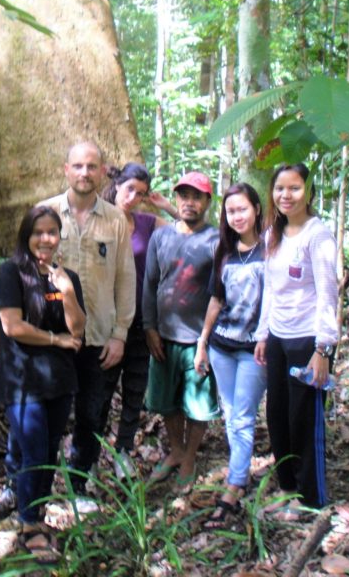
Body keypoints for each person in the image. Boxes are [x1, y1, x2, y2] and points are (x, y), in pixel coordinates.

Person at [0, 141, 135, 518]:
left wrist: (120, 333)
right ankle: (15, 486)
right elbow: (20, 266)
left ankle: (78, 483)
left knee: (90, 413)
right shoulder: (48, 213)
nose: (85, 173)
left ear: (102, 173)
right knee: (30, 414)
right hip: (46, 338)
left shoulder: (115, 219)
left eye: (92, 167)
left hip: (95, 333)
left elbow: (125, 278)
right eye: (78, 166)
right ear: (66, 169)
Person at [0, 206, 86, 562]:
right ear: (26, 236)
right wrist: (54, 339)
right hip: (22, 380)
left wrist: (67, 293)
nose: (45, 239)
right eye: (38, 232)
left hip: (60, 381)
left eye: (52, 232)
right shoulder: (10, 273)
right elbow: (13, 327)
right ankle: (29, 524)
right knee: (33, 452)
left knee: (47, 453)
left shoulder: (67, 277)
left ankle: (36, 512)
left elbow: (78, 329)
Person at [254, 163, 338, 517]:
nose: (286, 196)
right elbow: (270, 288)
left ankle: (311, 500)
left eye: (295, 188)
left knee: (304, 420)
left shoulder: (317, 234)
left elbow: (327, 293)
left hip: (307, 341)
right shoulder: (273, 233)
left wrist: (323, 348)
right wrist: (262, 333)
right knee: (277, 417)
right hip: (278, 337)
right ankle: (287, 489)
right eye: (280, 189)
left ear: (309, 192)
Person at [194, 182, 267, 527]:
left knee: (242, 417)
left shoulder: (272, 250)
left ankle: (234, 487)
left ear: (256, 209)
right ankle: (238, 474)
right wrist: (202, 341)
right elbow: (216, 300)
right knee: (230, 414)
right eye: (231, 210)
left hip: (256, 350)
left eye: (243, 209)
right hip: (222, 346)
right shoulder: (225, 251)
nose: (237, 216)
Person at [142, 171, 220, 490]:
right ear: (177, 199)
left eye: (196, 196)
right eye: (184, 196)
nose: (189, 202)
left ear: (206, 202)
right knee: (165, 400)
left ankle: (189, 456)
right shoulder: (161, 237)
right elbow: (149, 284)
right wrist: (149, 328)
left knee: (198, 404)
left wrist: (206, 339)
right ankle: (175, 450)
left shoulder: (216, 240)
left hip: (198, 340)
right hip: (164, 335)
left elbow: (219, 293)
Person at [101, 163, 176, 477]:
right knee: (99, 391)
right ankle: (90, 454)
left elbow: (193, 231)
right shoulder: (97, 220)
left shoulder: (149, 223)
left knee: (134, 390)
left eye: (141, 194)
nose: (133, 197)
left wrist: (166, 206)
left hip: (140, 321)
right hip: (104, 321)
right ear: (117, 185)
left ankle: (123, 452)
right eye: (129, 189)